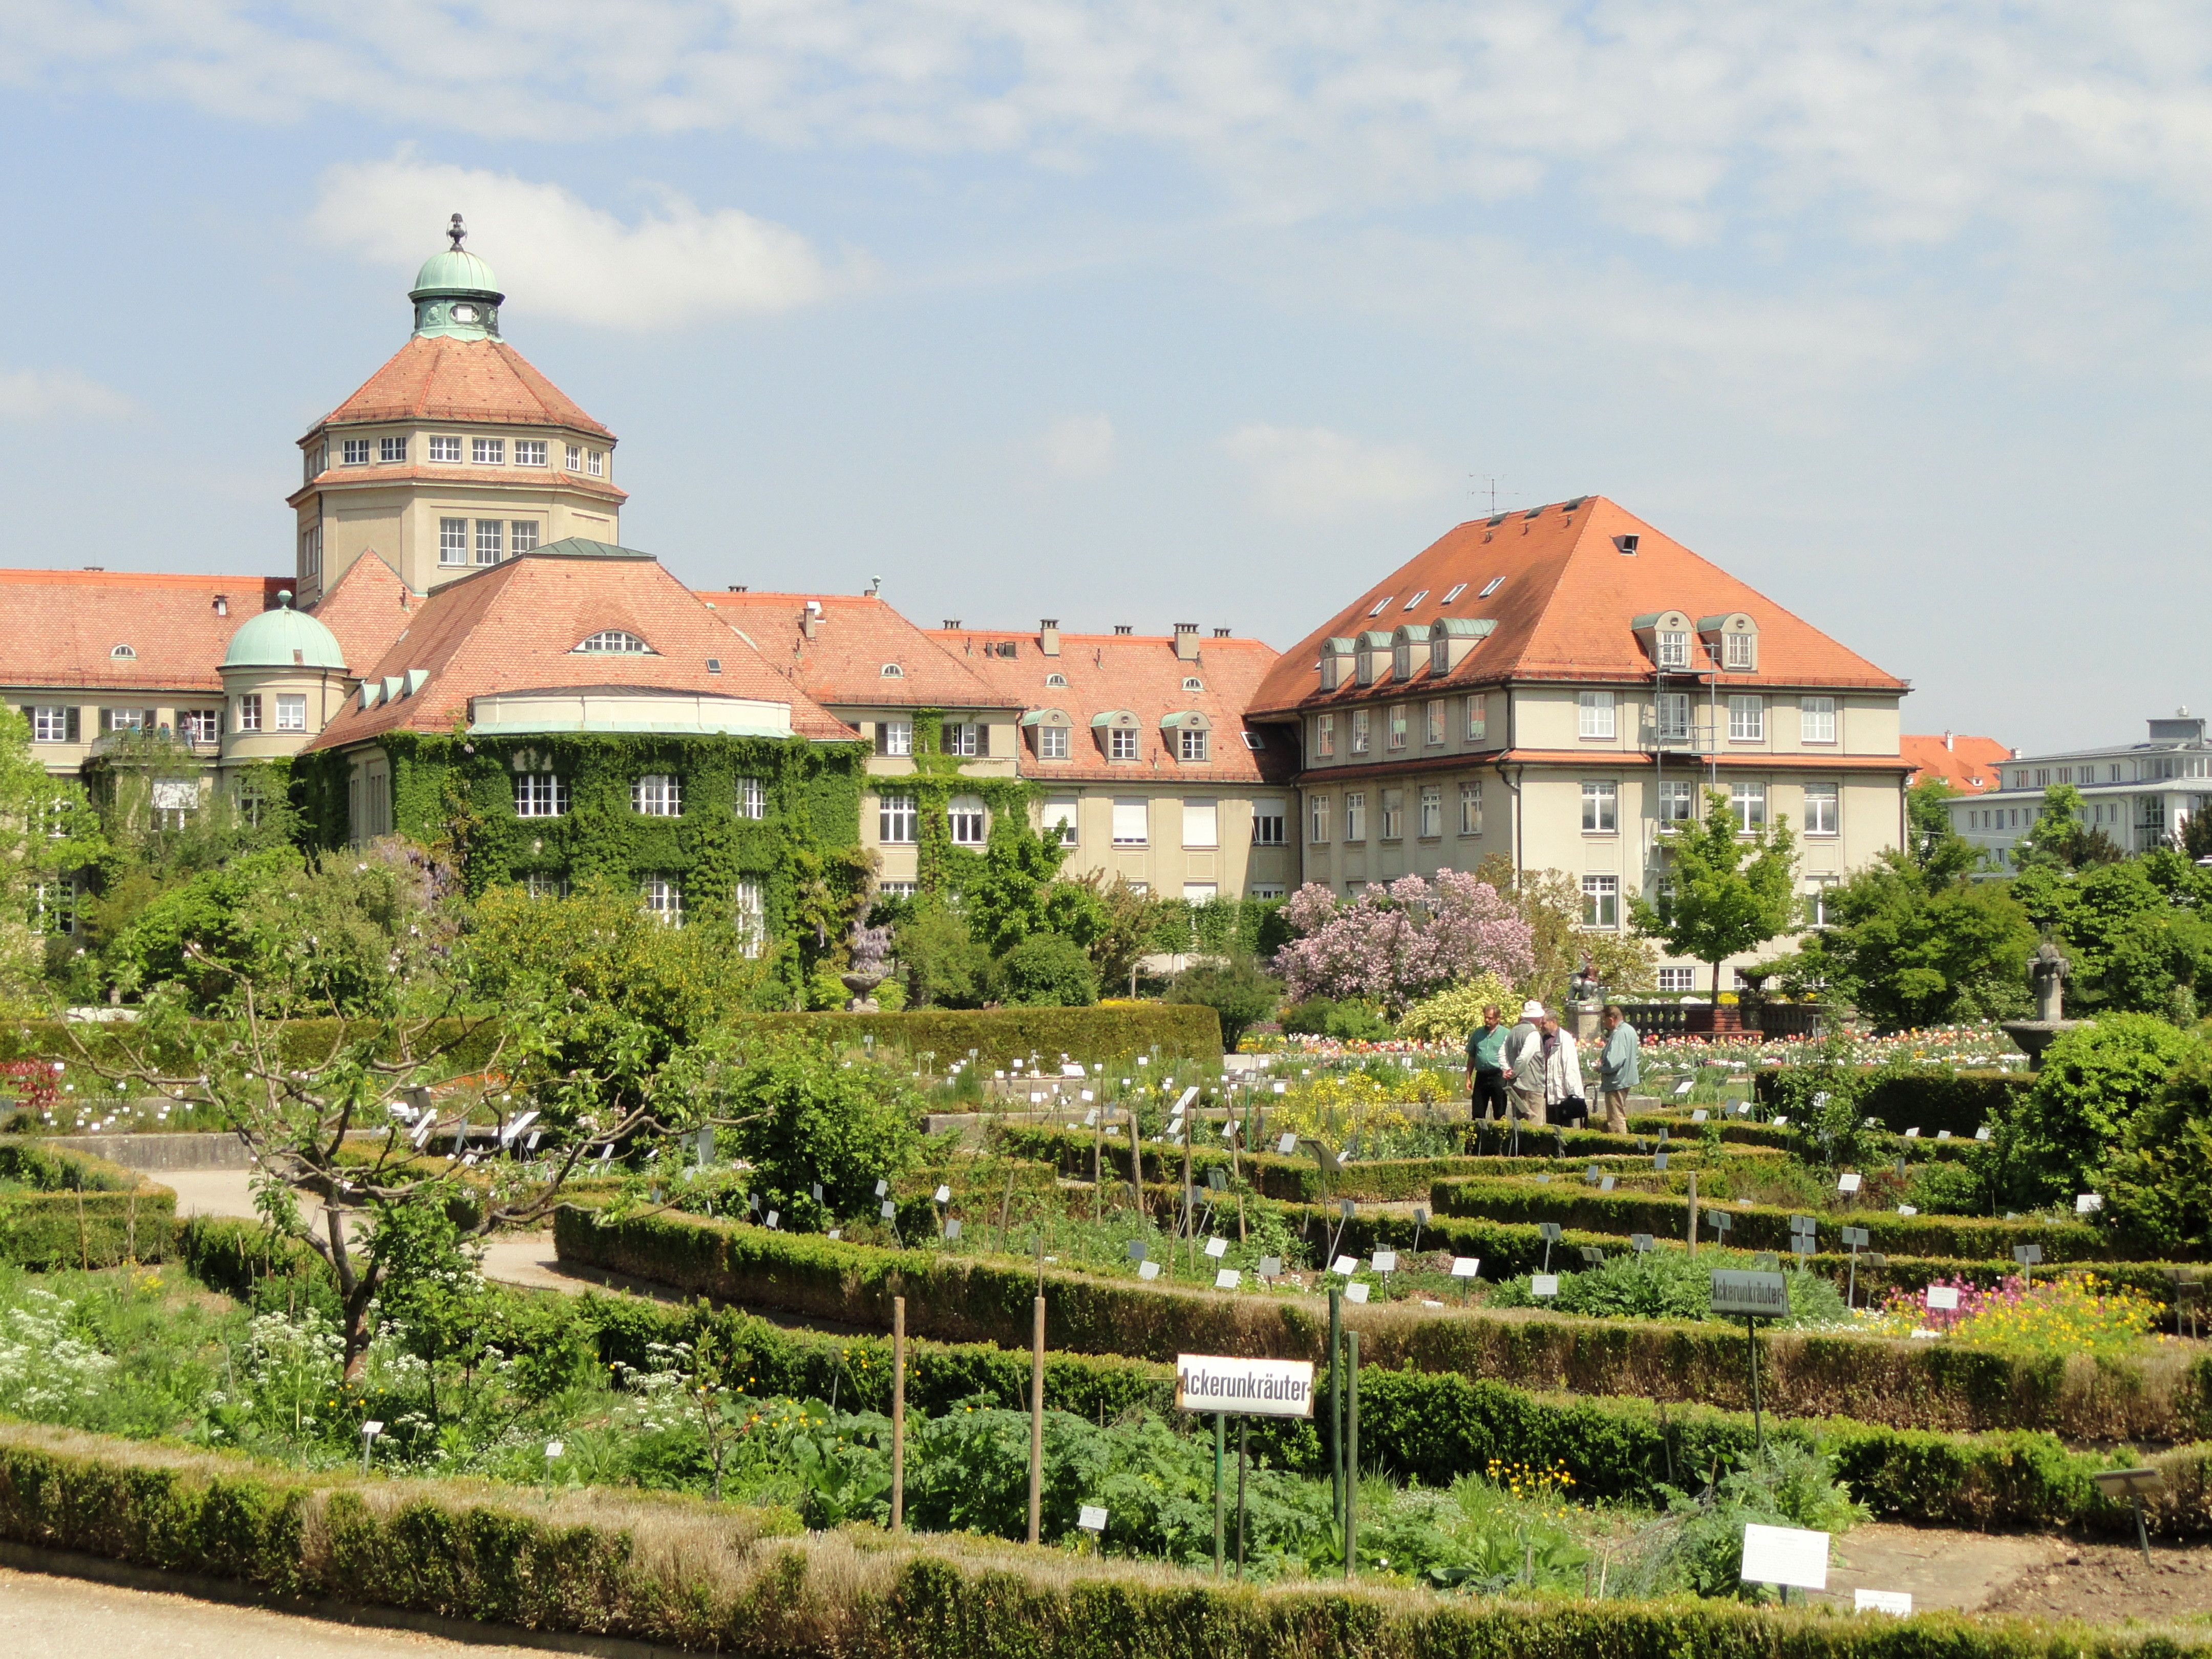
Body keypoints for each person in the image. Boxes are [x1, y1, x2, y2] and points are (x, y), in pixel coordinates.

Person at [1536, 1008, 1588, 1128]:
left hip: (1563, 1093)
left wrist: (1572, 1092)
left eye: (1544, 1023)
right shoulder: (1543, 1039)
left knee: (1565, 1127)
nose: (1542, 1026)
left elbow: (1570, 1067)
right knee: (1551, 1127)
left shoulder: (1565, 1039)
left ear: (1553, 1022)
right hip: (1549, 1092)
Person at [1502, 1000, 1549, 1128]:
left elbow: (1501, 1053)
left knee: (1519, 1123)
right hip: (1532, 1086)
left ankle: (1520, 1148)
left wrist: (1506, 1069)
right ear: (1537, 1018)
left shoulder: (1513, 1031)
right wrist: (1514, 1072)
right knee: (1534, 1124)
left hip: (1515, 1086)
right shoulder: (1533, 1034)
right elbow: (1524, 1058)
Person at [1597, 1003, 1640, 1134]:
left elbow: (1614, 1063)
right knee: (1619, 1114)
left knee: (1615, 1118)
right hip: (1625, 1079)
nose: (1604, 1024)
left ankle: (1620, 1145)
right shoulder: (1629, 1030)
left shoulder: (1619, 1034)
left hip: (1617, 1081)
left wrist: (1600, 1068)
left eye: (1604, 1020)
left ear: (1611, 1019)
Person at [1464, 1004, 1509, 1122]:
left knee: (1500, 1113)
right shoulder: (1478, 1034)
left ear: (1497, 1018)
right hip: (1482, 1075)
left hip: (1498, 1075)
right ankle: (1479, 1138)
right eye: (1486, 1017)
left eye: (1490, 1018)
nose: (1487, 1020)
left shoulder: (1506, 1034)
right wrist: (1468, 1078)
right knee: (1478, 1113)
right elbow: (1472, 1057)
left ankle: (1499, 1139)